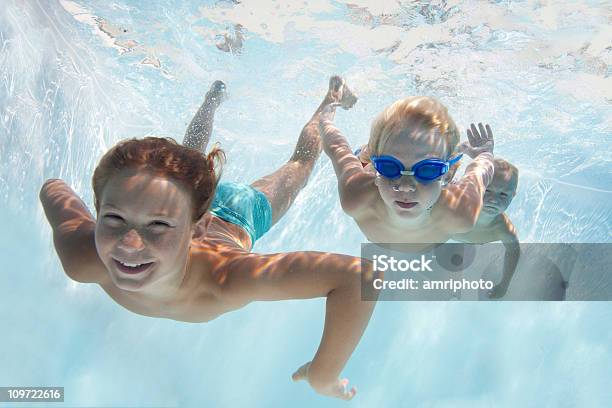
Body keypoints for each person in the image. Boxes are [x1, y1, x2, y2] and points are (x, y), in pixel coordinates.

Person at [40, 77, 374, 400]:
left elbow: (362, 276)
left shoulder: (226, 278)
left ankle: (329, 102)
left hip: (241, 213)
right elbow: (52, 189)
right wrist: (145, 215)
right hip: (181, 203)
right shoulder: (82, 257)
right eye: (113, 218)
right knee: (186, 163)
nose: (129, 244)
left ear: (199, 227)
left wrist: (324, 374)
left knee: (300, 163)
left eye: (156, 225)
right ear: (99, 211)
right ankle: (212, 100)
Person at [320, 94, 495, 249]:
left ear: (447, 175)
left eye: (427, 170)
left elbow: (479, 172)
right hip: (371, 163)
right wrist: (326, 115)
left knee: (387, 151)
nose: (405, 187)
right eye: (390, 167)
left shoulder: (460, 211)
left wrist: (484, 154)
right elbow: (337, 147)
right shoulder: (357, 196)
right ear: (377, 168)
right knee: (366, 154)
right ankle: (370, 152)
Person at [452, 158, 520, 298]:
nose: (494, 200)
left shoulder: (504, 229)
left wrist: (504, 284)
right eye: (487, 191)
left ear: (513, 196)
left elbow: (513, 251)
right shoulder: (452, 209)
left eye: (503, 194)